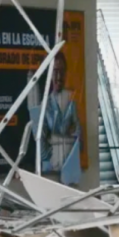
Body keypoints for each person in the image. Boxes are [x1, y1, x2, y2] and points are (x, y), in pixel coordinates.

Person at [32, 52, 79, 184]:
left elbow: (79, 138)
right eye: (55, 72)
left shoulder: (71, 102)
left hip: (70, 172)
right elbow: (41, 146)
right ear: (50, 74)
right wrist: (56, 156)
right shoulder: (44, 106)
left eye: (62, 72)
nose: (59, 77)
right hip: (50, 173)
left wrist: (54, 138)